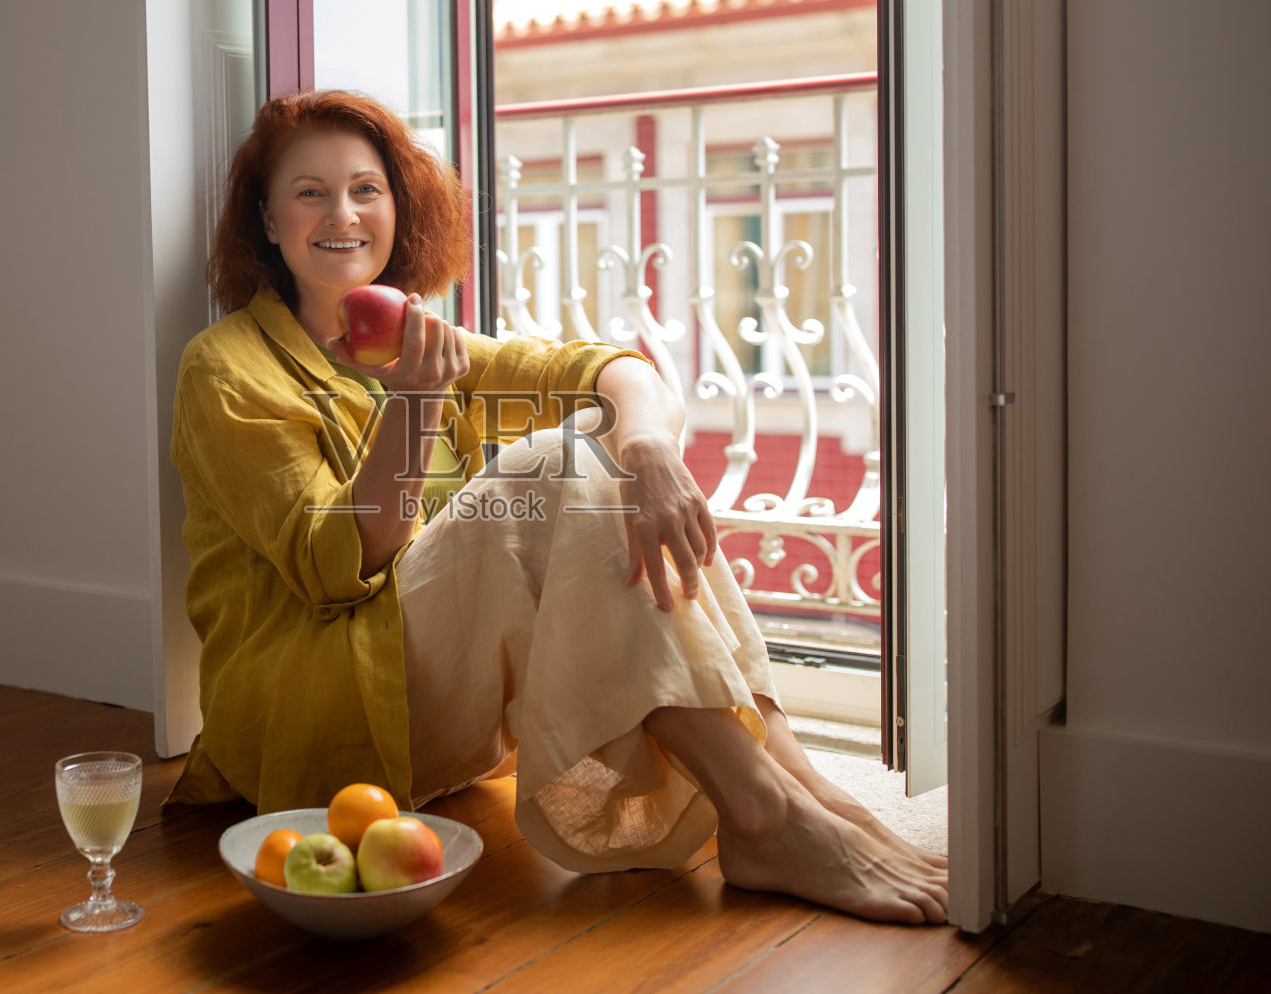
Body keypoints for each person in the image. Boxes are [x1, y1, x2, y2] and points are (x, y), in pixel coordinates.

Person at [166, 89, 948, 924]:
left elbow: (613, 370)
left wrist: (649, 452)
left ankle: (802, 790)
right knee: (559, 468)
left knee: (604, 458)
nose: (343, 213)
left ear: (399, 207)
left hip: (434, 713)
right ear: (269, 215)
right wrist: (415, 407)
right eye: (310, 191)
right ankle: (764, 814)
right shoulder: (224, 368)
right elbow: (337, 569)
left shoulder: (426, 338)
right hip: (315, 718)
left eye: (367, 188)